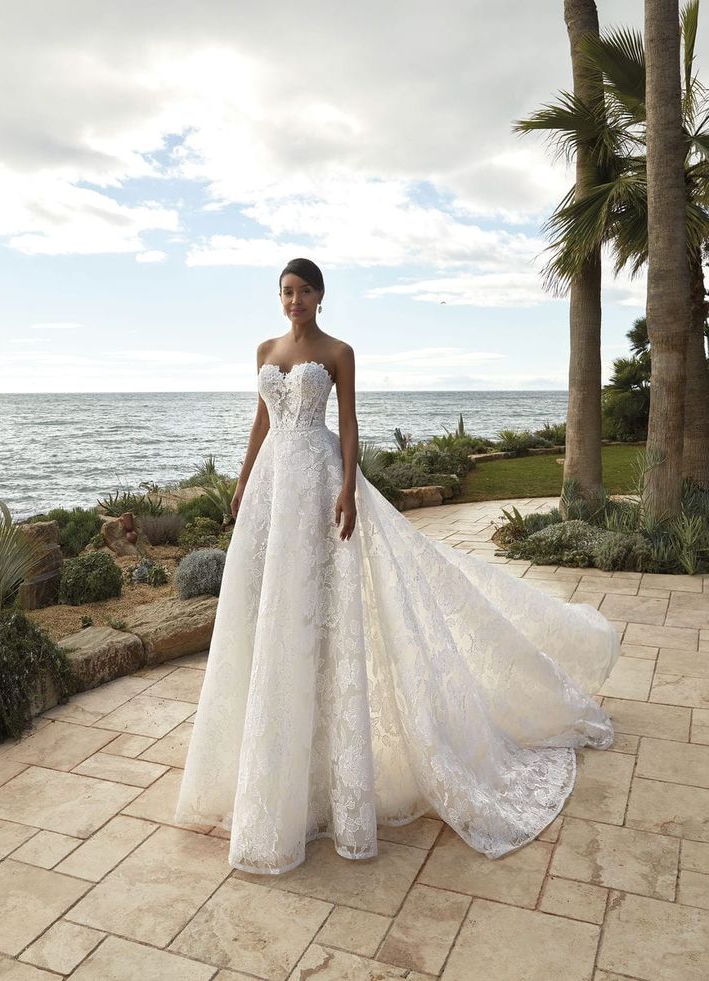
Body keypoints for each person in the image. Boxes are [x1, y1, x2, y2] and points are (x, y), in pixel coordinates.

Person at [174, 257, 619, 876]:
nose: (293, 300)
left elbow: (349, 421)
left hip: (321, 482)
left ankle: (334, 776)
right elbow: (261, 423)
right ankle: (279, 771)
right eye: (285, 292)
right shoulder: (265, 349)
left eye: (303, 291)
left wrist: (349, 489)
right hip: (276, 489)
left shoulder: (338, 351)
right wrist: (244, 481)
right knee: (272, 614)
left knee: (323, 614)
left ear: (321, 296)